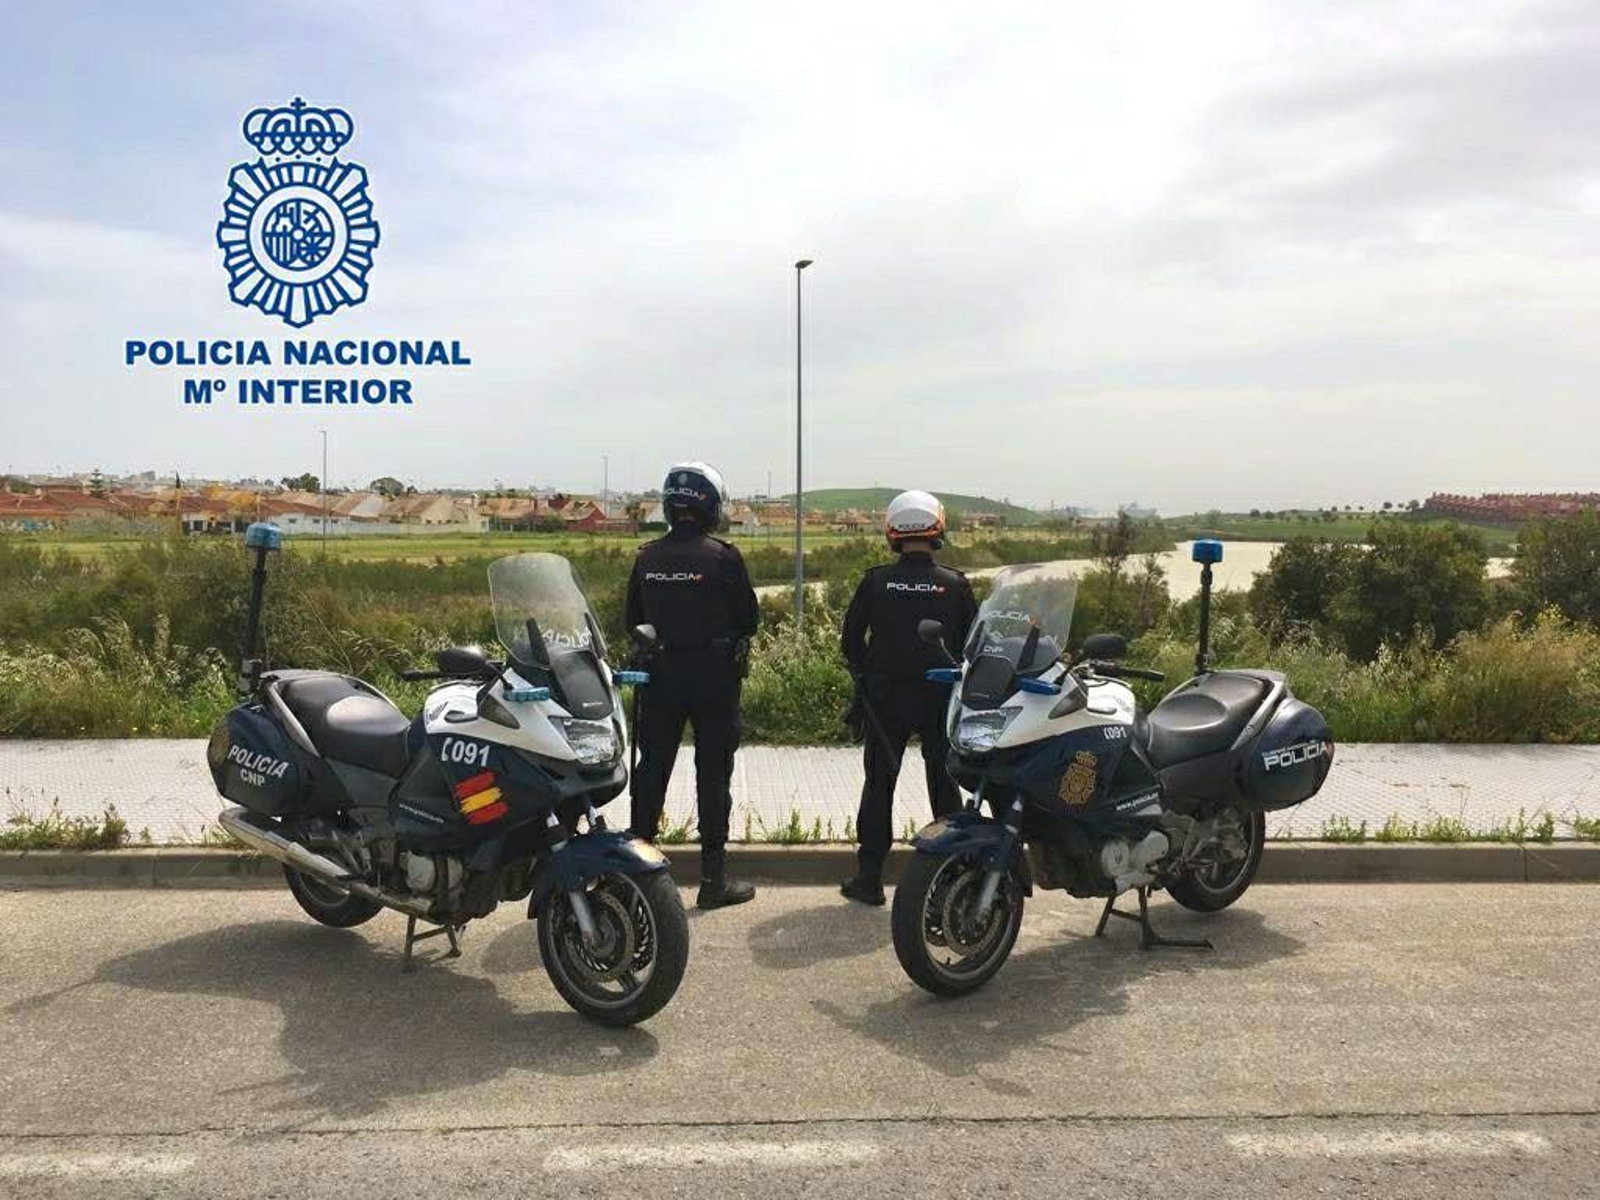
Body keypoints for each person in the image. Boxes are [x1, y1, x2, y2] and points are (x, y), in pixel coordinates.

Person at [627, 461, 760, 909]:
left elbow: (631, 622)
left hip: (659, 679)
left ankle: (637, 874)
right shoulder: (724, 557)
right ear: (711, 504)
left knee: (652, 773)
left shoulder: (646, 556)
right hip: (714, 680)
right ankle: (712, 880)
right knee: (713, 776)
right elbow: (749, 620)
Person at [839, 490, 977, 905]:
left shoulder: (876, 580)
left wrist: (871, 672)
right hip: (940, 697)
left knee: (879, 784)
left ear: (893, 531)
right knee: (944, 786)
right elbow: (972, 645)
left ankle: (869, 879)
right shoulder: (955, 584)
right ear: (937, 527)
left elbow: (850, 641)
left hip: (885, 699)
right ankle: (951, 878)